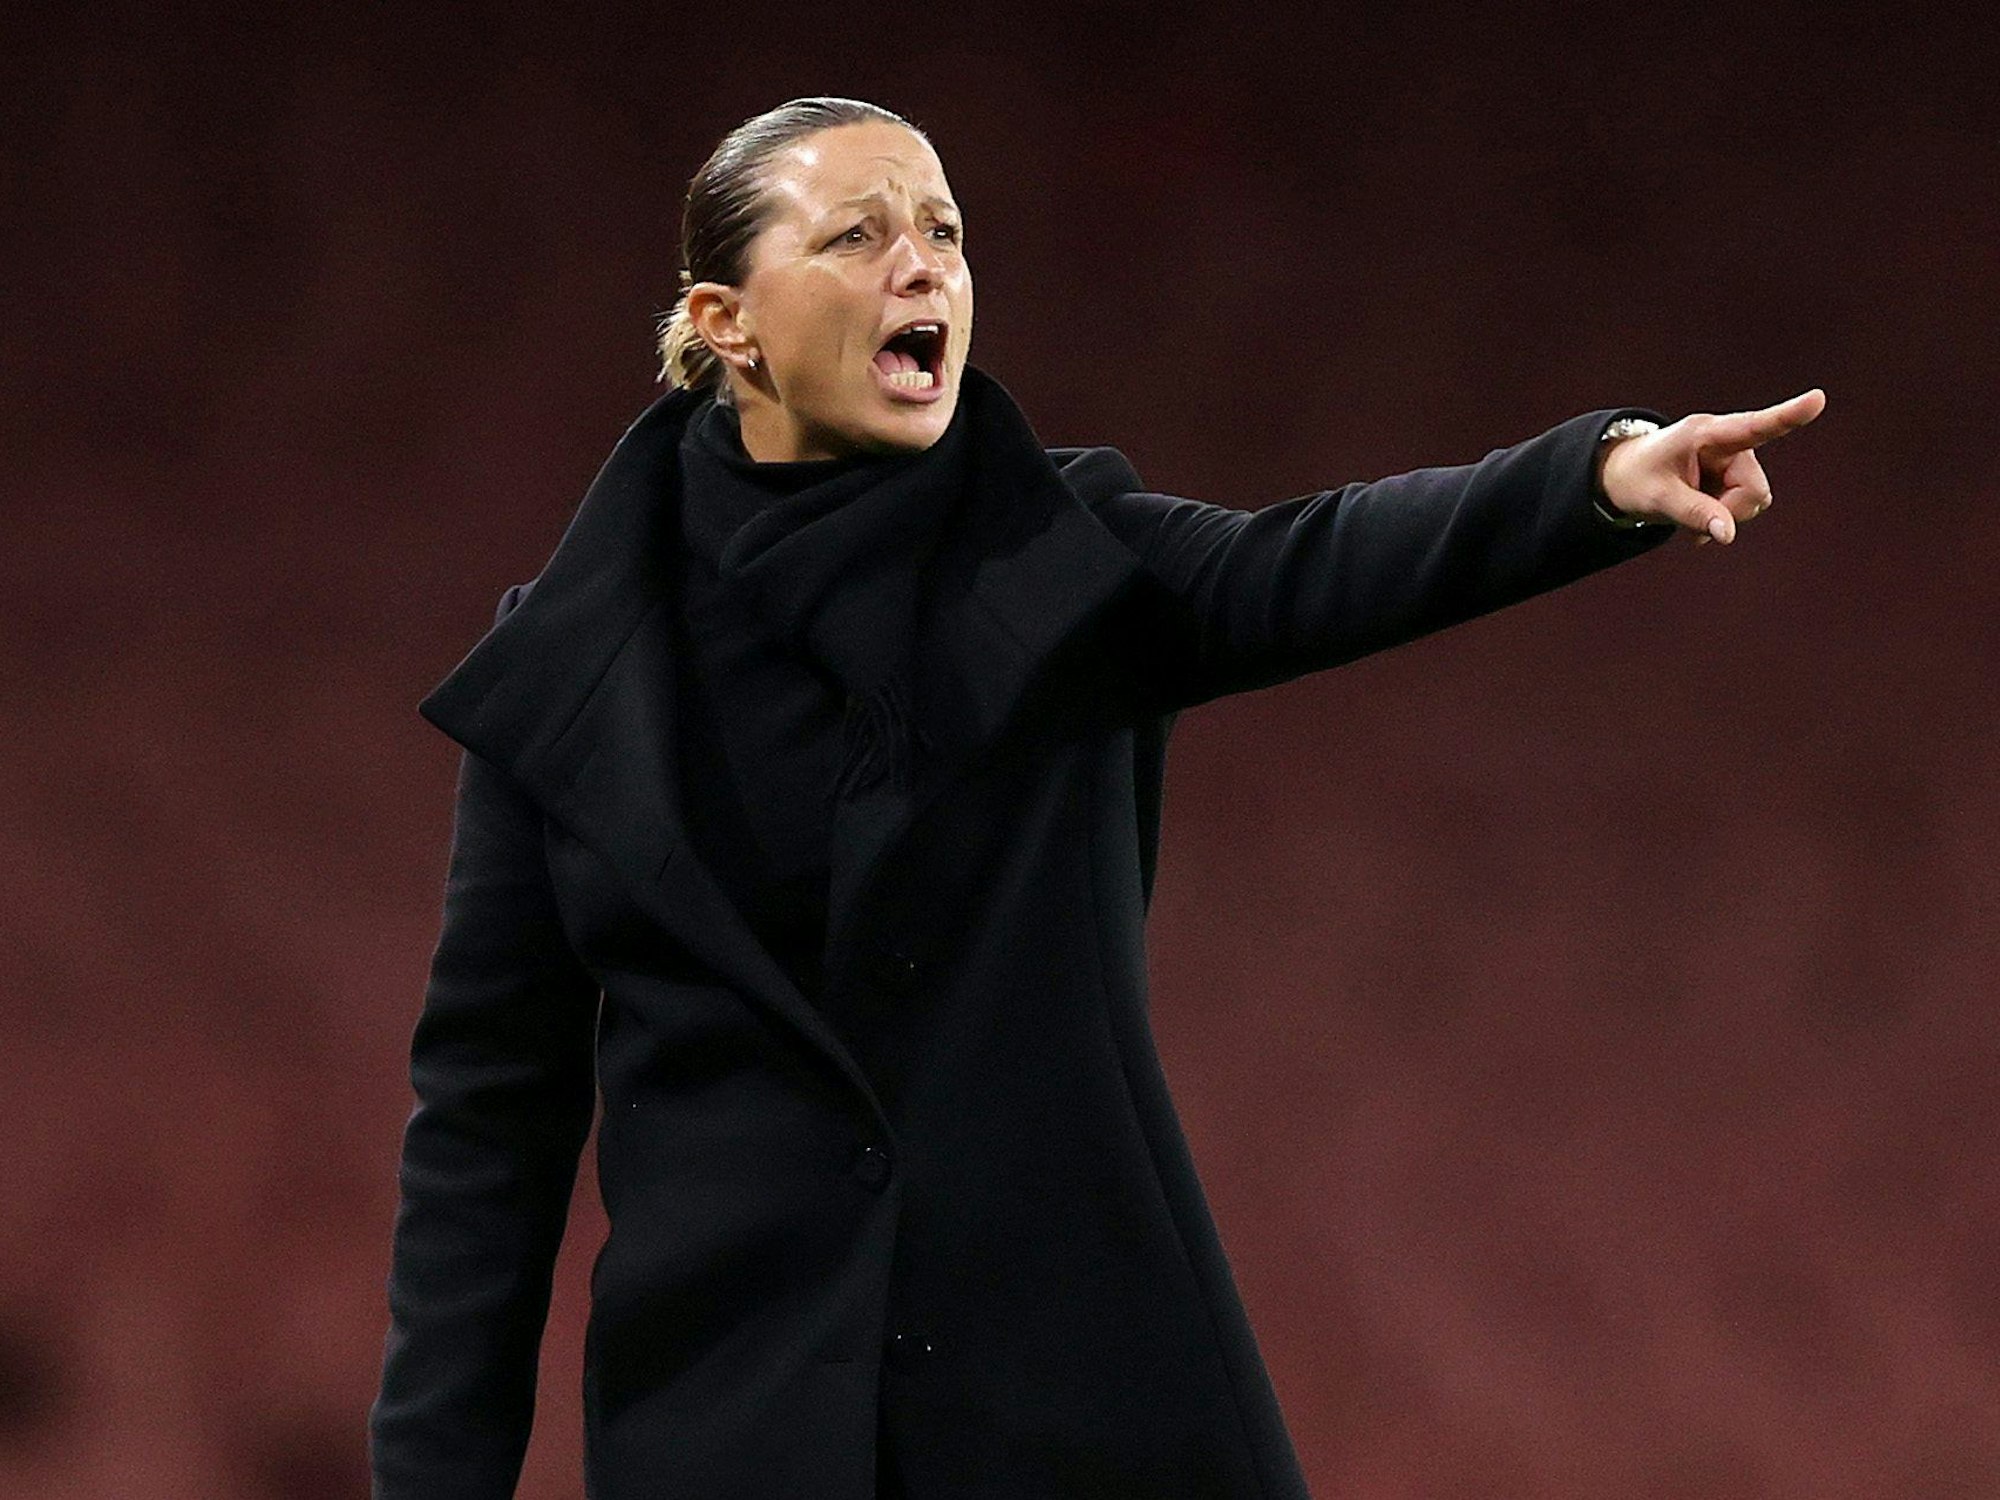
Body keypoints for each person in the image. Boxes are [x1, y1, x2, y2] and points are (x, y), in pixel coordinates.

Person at [368, 96, 1825, 1500]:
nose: (922, 263)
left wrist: (1599, 477)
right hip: (735, 1428)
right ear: (722, 324)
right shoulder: (564, 677)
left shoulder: (1059, 563)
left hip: (1080, 1406)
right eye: (858, 236)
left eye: (943, 231)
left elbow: (1305, 566)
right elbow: (489, 1131)